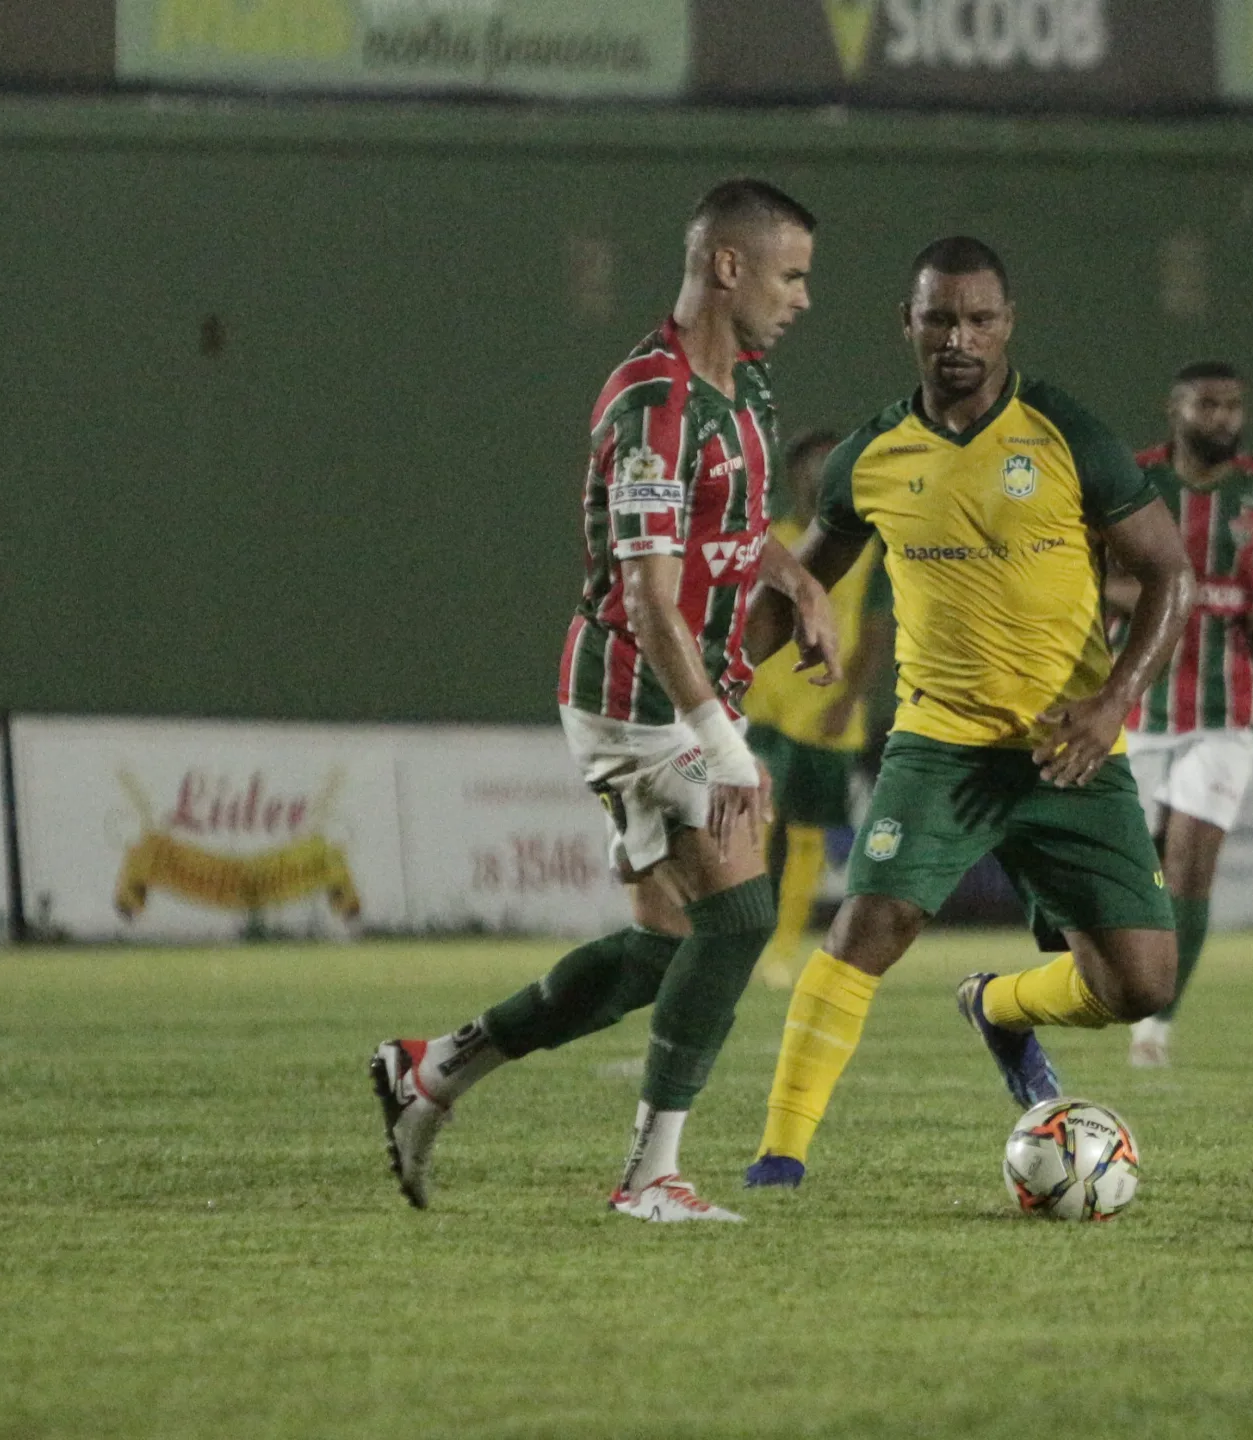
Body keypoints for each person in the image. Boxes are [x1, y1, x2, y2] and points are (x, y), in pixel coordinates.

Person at [369, 178, 839, 1222]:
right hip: (636, 698)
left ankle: (434, 1071)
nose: (803, 297)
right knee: (742, 915)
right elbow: (650, 598)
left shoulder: (749, 389)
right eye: (791, 273)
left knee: (662, 947)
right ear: (727, 266)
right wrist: (721, 747)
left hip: (688, 694)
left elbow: (737, 520)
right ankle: (648, 1179)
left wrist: (796, 580)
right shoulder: (651, 403)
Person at [735, 236, 1198, 1189]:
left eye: (979, 318)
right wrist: (703, 681)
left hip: (1067, 747)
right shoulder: (871, 456)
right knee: (870, 926)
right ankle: (779, 1156)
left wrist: (1113, 705)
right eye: (939, 317)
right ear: (906, 324)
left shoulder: (1066, 435)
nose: (960, 337)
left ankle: (998, 1005)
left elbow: (1168, 573)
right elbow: (790, 598)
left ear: (1007, 325)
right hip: (938, 744)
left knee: (1142, 984)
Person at [1106, 360, 1253, 1068]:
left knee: (1191, 864)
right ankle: (1110, 983)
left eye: (1232, 406)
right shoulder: (1132, 481)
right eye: (1207, 404)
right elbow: (1086, 570)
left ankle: (1156, 1027)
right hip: (1135, 702)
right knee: (1130, 868)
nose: (1222, 417)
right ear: (1175, 407)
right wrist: (1145, 598)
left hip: (1227, 709)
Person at [740, 429, 896, 989]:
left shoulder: (869, 546)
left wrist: (850, 698)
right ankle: (741, 939)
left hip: (827, 710)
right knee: (756, 828)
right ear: (795, 473)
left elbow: (876, 633)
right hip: (761, 708)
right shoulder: (766, 536)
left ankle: (781, 950)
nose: (822, 472)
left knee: (807, 834)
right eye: (813, 463)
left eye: (834, 462)